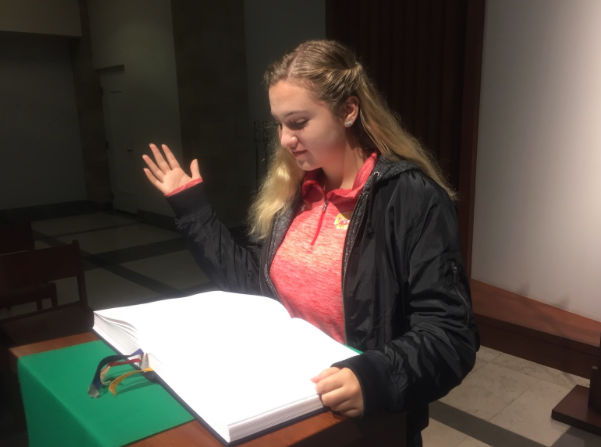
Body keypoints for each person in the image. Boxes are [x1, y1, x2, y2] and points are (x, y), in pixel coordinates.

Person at [143, 39, 479, 447]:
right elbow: (252, 282)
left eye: (298, 122)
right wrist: (191, 206)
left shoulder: (410, 198)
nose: (285, 139)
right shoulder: (292, 193)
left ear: (348, 111)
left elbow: (450, 333)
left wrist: (376, 376)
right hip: (287, 408)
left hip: (367, 423)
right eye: (279, 124)